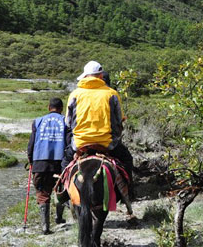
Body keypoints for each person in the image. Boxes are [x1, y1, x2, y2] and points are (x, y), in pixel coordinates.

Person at [62, 61, 134, 198]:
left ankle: (64, 194)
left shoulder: (75, 94)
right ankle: (128, 192)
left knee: (65, 162)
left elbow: (68, 122)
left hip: (80, 144)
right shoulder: (112, 94)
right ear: (100, 76)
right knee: (127, 159)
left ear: (85, 76)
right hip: (107, 144)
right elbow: (119, 120)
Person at [27, 97, 67, 235]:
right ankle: (59, 217)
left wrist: (31, 161)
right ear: (62, 108)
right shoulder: (65, 121)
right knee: (60, 189)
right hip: (59, 162)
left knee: (42, 194)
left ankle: (45, 227)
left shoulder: (37, 121)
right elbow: (68, 143)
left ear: (49, 107)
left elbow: (31, 145)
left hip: (40, 162)